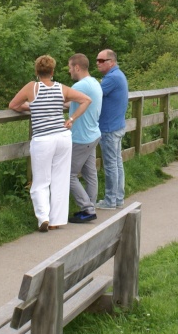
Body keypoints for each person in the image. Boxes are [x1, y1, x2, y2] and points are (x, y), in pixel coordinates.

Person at [9, 55, 91, 232]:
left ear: (36, 71)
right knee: (60, 179)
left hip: (43, 139)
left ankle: (43, 217)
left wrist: (31, 106)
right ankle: (56, 220)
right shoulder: (61, 88)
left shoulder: (32, 87)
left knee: (41, 180)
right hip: (62, 137)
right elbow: (86, 100)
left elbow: (13, 105)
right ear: (52, 71)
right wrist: (72, 119)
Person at [66, 54, 103, 224]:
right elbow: (73, 102)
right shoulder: (93, 82)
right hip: (93, 134)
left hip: (81, 138)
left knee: (69, 175)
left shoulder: (79, 85)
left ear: (77, 67)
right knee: (90, 174)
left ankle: (87, 209)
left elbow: (63, 98)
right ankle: (90, 206)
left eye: (70, 67)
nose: (69, 71)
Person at [95, 49, 128, 209]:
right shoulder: (118, 75)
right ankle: (118, 198)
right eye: (97, 60)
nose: (98, 63)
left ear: (112, 62)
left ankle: (110, 201)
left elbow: (94, 95)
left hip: (109, 128)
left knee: (110, 165)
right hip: (117, 125)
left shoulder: (111, 78)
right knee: (117, 163)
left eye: (102, 61)